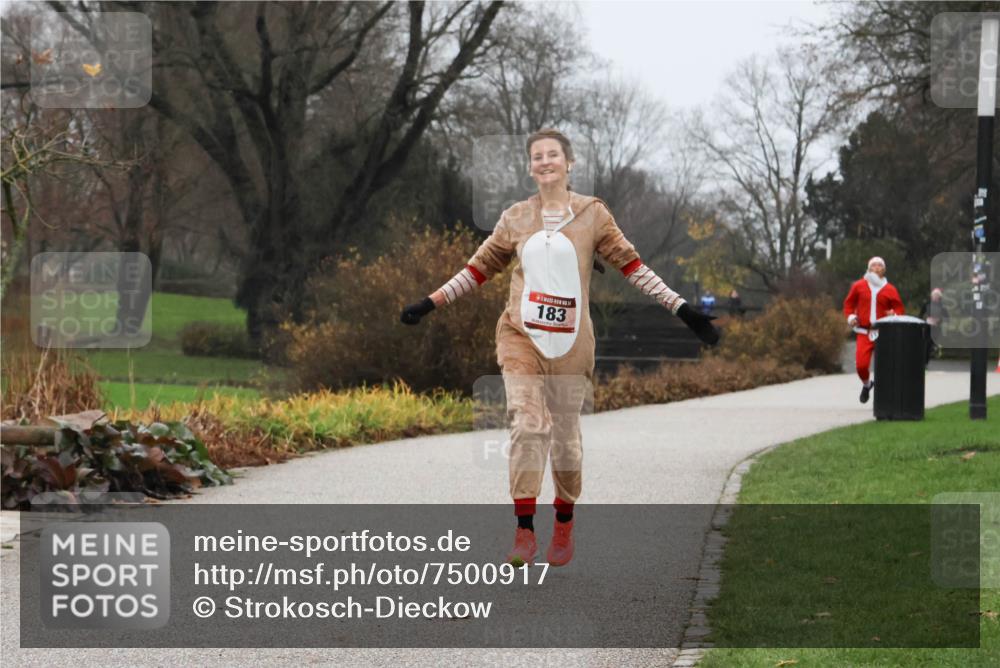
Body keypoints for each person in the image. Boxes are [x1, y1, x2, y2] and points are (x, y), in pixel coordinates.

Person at [400, 128, 718, 567]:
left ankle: (564, 521)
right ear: (530, 167)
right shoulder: (515, 217)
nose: (545, 161)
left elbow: (633, 267)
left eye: (553, 154)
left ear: (569, 163)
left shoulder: (593, 214)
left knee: (565, 440)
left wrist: (683, 309)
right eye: (537, 156)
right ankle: (524, 531)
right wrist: (429, 303)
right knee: (528, 424)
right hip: (520, 336)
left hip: (571, 344)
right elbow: (478, 269)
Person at [842, 256, 904, 404]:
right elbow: (848, 304)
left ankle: (885, 397)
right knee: (861, 365)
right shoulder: (859, 286)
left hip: (884, 333)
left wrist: (894, 315)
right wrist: (851, 317)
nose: (876, 267)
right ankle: (867, 384)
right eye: (873, 265)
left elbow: (899, 309)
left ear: (884, 269)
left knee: (886, 366)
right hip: (864, 331)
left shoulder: (890, 289)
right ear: (868, 268)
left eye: (879, 265)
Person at [919, 287, 949, 365]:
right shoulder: (927, 304)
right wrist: (925, 320)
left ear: (939, 297)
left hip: (936, 328)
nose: (934, 297)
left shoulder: (942, 306)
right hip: (927, 327)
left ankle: (933, 351)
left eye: (936, 296)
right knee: (926, 344)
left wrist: (939, 320)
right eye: (933, 295)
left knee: (930, 344)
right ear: (931, 296)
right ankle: (925, 361)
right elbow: (920, 315)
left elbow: (947, 318)